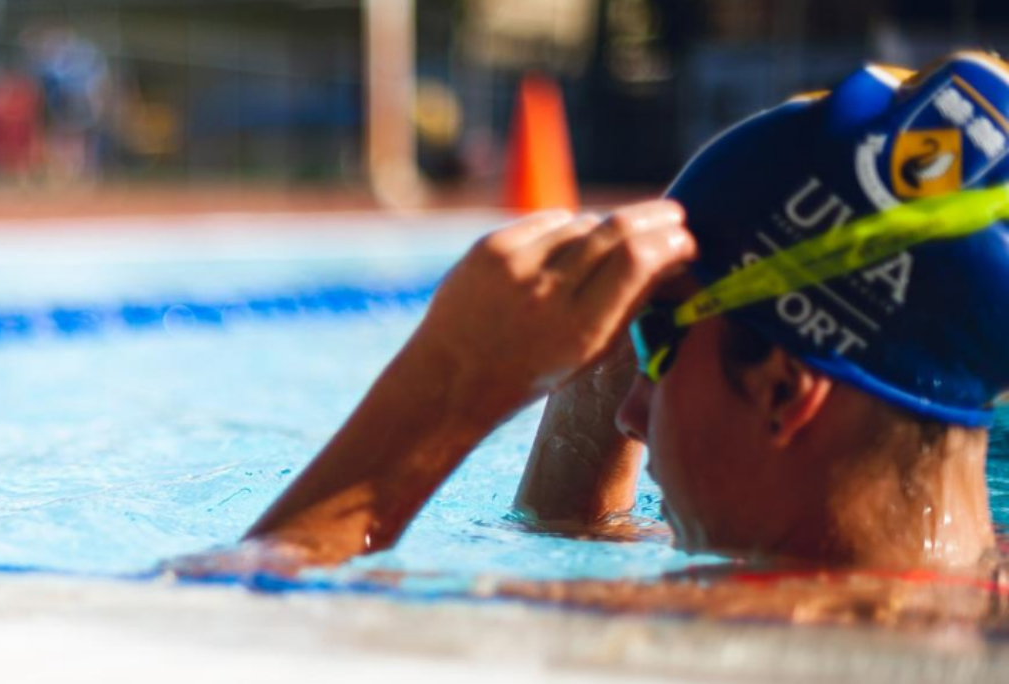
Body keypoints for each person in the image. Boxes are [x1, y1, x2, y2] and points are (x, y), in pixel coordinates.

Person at [197, 54, 1009, 580]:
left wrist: (449, 386)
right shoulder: (935, 588)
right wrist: (638, 333)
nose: (631, 413)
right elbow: (567, 539)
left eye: (655, 347)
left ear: (781, 388)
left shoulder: (762, 630)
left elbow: (220, 628)